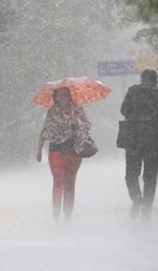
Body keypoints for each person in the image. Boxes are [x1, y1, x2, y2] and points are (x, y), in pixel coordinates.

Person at [119, 69, 158, 220]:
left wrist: (137, 117)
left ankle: (137, 200)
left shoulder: (133, 91)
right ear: (156, 80)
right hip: (154, 140)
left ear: (142, 79)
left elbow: (123, 110)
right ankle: (146, 209)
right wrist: (154, 117)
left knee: (131, 175)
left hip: (133, 140)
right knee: (150, 177)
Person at [36, 87, 91, 223]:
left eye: (66, 95)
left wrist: (76, 123)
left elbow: (86, 125)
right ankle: (56, 209)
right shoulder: (51, 112)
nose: (63, 98)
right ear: (56, 97)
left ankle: (67, 213)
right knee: (58, 179)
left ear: (70, 96)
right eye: (60, 95)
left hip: (74, 149)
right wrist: (39, 149)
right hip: (56, 149)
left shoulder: (77, 110)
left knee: (70, 182)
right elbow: (45, 131)